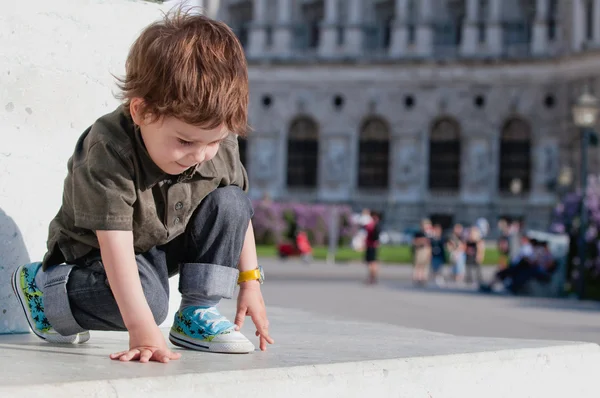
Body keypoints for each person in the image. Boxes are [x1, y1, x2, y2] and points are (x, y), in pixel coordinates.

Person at [11, 10, 273, 364]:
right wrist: (143, 328)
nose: (200, 155)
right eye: (184, 141)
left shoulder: (212, 142)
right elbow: (114, 248)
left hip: (157, 245)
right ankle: (45, 290)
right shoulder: (109, 149)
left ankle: (195, 313)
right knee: (151, 303)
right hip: (96, 257)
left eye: (214, 141)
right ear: (141, 112)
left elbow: (238, 217)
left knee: (231, 201)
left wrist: (251, 282)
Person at [412, 219, 432, 285]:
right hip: (420, 250)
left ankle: (423, 278)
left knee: (425, 265)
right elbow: (414, 242)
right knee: (418, 264)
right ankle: (417, 278)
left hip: (426, 250)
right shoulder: (418, 233)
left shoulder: (429, 234)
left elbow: (430, 244)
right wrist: (422, 240)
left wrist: (430, 252)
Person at [365, 211, 382, 284]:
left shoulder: (371, 225)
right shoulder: (377, 225)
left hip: (370, 245)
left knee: (371, 263)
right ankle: (373, 278)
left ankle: (372, 278)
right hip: (374, 245)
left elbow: (367, 228)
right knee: (374, 262)